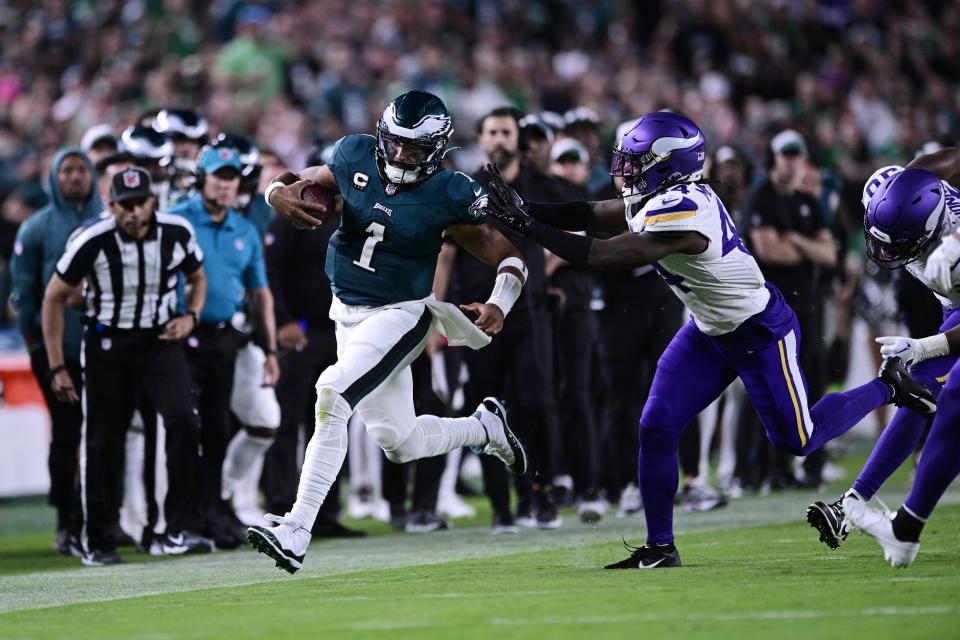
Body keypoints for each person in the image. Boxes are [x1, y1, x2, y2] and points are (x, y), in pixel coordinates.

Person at [480, 111, 936, 570]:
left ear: (668, 163)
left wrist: (527, 226)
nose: (626, 169)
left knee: (799, 439)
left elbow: (604, 254)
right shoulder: (659, 194)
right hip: (707, 329)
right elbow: (597, 214)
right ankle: (661, 546)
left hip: (759, 332)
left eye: (637, 161)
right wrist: (527, 207)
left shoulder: (684, 209)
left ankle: (890, 386)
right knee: (656, 425)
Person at [247, 90, 528, 574]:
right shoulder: (353, 152)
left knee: (331, 394)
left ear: (436, 150)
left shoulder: (449, 192)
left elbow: (510, 256)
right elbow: (296, 181)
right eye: (394, 143)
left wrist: (500, 303)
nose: (399, 155)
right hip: (345, 310)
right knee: (400, 443)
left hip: (401, 311)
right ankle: (484, 429)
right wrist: (279, 194)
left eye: (413, 149)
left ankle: (295, 528)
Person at [41, 167, 209, 565]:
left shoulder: (176, 232)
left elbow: (198, 276)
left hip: (160, 340)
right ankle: (96, 539)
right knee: (103, 441)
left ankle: (177, 528)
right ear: (111, 205)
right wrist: (56, 366)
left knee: (184, 421)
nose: (134, 213)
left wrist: (192, 317)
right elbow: (53, 297)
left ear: (153, 200)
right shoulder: (92, 239)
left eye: (141, 203)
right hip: (108, 344)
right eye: (125, 205)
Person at [806, 151, 960, 551]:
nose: (885, 254)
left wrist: (926, 345)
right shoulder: (889, 187)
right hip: (951, 304)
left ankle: (897, 525)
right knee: (918, 391)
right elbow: (936, 163)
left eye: (899, 246)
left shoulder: (953, 260)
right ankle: (857, 503)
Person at [439, 106, 565, 530]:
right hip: (476, 314)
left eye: (506, 131)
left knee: (537, 404)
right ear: (481, 139)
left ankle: (543, 494)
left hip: (530, 313)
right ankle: (501, 506)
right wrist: (434, 312)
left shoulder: (543, 188)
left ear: (519, 138)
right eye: (492, 132)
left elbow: (569, 238)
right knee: (485, 408)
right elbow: (446, 253)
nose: (499, 139)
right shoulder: (464, 190)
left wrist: (547, 277)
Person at [168, 145, 280, 549]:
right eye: (217, 175)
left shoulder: (244, 229)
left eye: (230, 177)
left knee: (217, 429)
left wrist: (269, 350)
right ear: (201, 178)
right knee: (183, 427)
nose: (223, 184)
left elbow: (260, 293)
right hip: (177, 338)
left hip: (224, 338)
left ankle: (212, 511)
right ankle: (178, 517)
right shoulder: (176, 219)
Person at [10, 147, 101, 555]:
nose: (76, 177)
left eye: (82, 169)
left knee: (106, 437)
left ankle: (106, 518)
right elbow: (25, 295)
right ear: (53, 177)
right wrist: (42, 354)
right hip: (58, 351)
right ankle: (68, 519)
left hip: (109, 350)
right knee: (67, 435)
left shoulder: (111, 220)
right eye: (68, 170)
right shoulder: (36, 229)